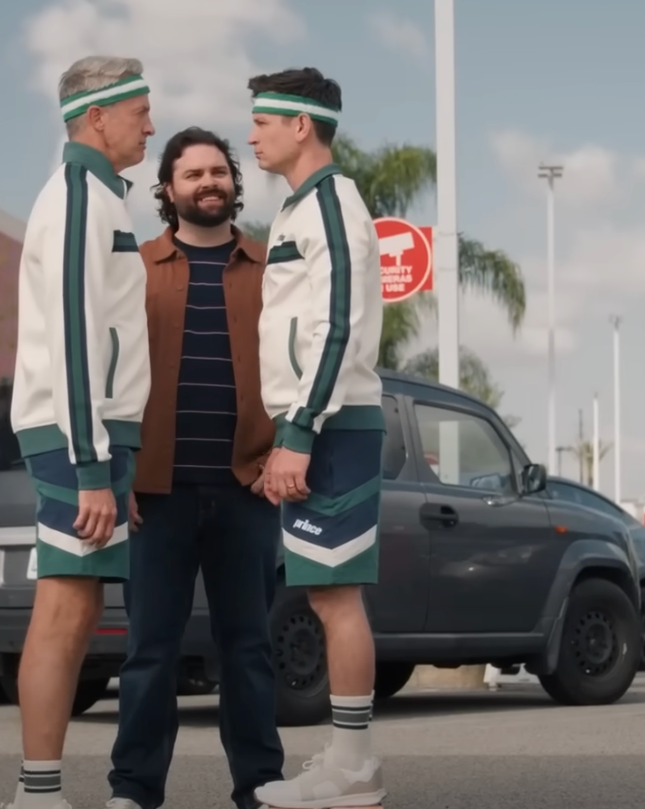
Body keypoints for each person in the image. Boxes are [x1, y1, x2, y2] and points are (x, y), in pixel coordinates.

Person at [106, 128, 286, 809]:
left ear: (234, 183)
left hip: (247, 489)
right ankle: (134, 789)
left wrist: (281, 451)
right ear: (168, 189)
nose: (208, 183)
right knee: (149, 651)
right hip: (157, 493)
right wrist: (117, 471)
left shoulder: (271, 268)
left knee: (249, 650)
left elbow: (292, 371)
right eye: (193, 174)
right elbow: (109, 372)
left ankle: (261, 786)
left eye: (219, 172)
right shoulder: (136, 267)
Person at [4, 54, 156, 809]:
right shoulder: (75, 198)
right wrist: (93, 466)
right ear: (98, 115)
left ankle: (42, 791)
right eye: (141, 112)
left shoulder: (103, 198)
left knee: (82, 605)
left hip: (92, 435)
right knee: (65, 606)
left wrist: (113, 458)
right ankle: (37, 795)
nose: (150, 126)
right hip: (74, 437)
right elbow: (73, 331)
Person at [245, 68, 388, 809]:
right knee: (325, 594)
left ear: (302, 125)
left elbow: (339, 324)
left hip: (330, 428)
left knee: (335, 598)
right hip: (315, 426)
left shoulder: (333, 202)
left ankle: (356, 769)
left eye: (262, 120)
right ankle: (345, 756)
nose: (251, 134)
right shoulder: (303, 207)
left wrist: (298, 432)